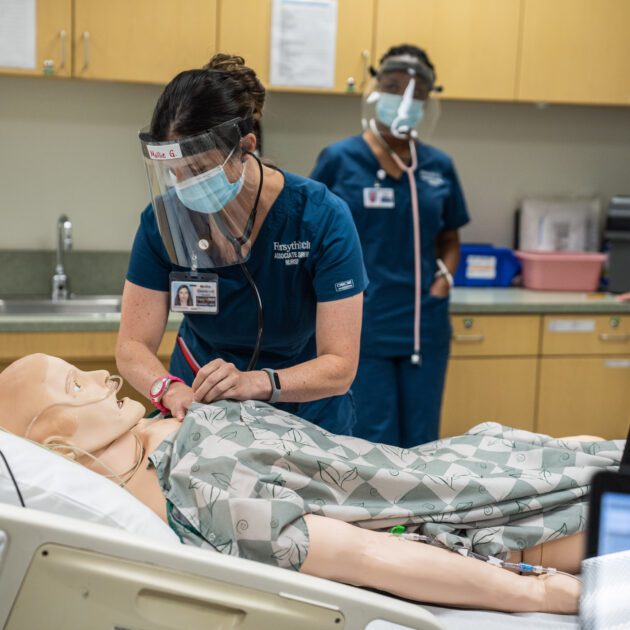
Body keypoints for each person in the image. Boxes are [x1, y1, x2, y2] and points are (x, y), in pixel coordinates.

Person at [1, 354, 625, 614]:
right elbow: (366, 554)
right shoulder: (203, 495)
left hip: (465, 463)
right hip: (502, 515)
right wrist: (548, 596)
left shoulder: (164, 432)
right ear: (58, 444)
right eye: (73, 386)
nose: (99, 373)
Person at [116, 54, 367, 434]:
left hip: (305, 413)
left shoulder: (320, 218)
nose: (185, 187)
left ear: (245, 146)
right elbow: (132, 345)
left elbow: (340, 364)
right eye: (174, 174)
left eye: (199, 170)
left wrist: (255, 383)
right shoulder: (161, 224)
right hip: (200, 406)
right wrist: (168, 390)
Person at [311, 44, 469, 448]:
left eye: (417, 92)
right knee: (371, 439)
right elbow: (312, 236)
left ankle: (418, 516)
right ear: (375, 90)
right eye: (394, 87)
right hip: (363, 321)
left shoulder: (438, 166)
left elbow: (450, 237)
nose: (405, 100)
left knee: (423, 441)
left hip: (423, 321)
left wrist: (444, 282)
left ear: (428, 101)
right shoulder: (340, 160)